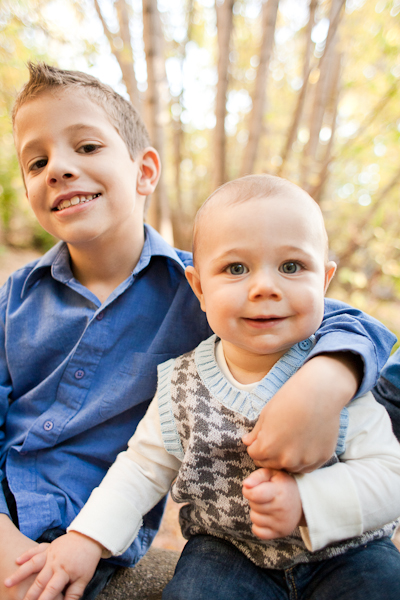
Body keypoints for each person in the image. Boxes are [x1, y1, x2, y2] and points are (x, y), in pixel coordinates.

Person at [0, 61, 395, 599]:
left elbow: (349, 323)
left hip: (90, 516)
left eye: (87, 147)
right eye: (37, 161)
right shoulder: (17, 297)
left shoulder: (214, 291)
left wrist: (325, 382)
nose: (59, 169)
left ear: (144, 171)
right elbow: (139, 465)